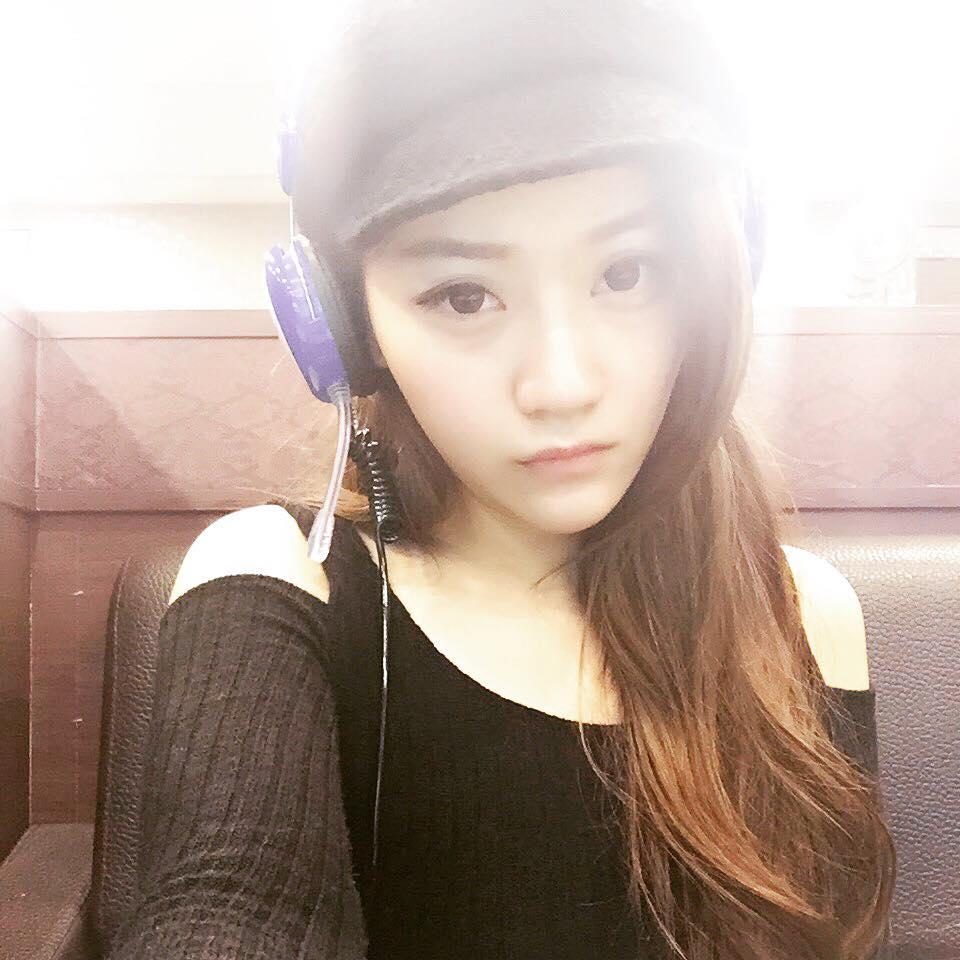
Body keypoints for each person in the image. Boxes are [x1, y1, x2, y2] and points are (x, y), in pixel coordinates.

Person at [106, 2, 895, 959]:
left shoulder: (800, 615)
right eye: (464, 295)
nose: (561, 385)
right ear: (343, 328)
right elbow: (231, 898)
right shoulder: (284, 576)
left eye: (628, 273)